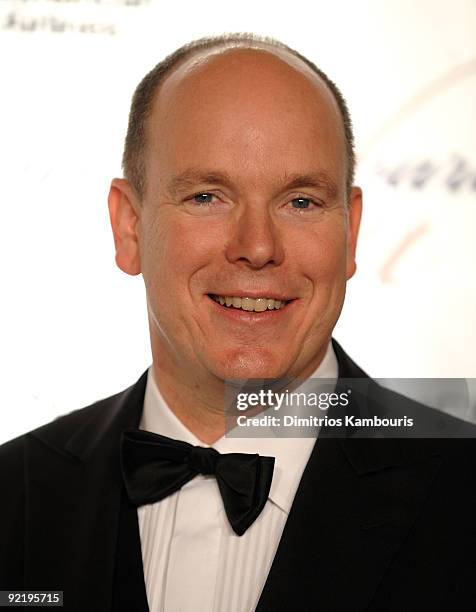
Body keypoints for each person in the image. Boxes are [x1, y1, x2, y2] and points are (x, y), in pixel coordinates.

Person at [1, 34, 475, 612]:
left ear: (349, 231)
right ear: (129, 228)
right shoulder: (13, 495)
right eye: (207, 196)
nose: (257, 247)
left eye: (300, 201)